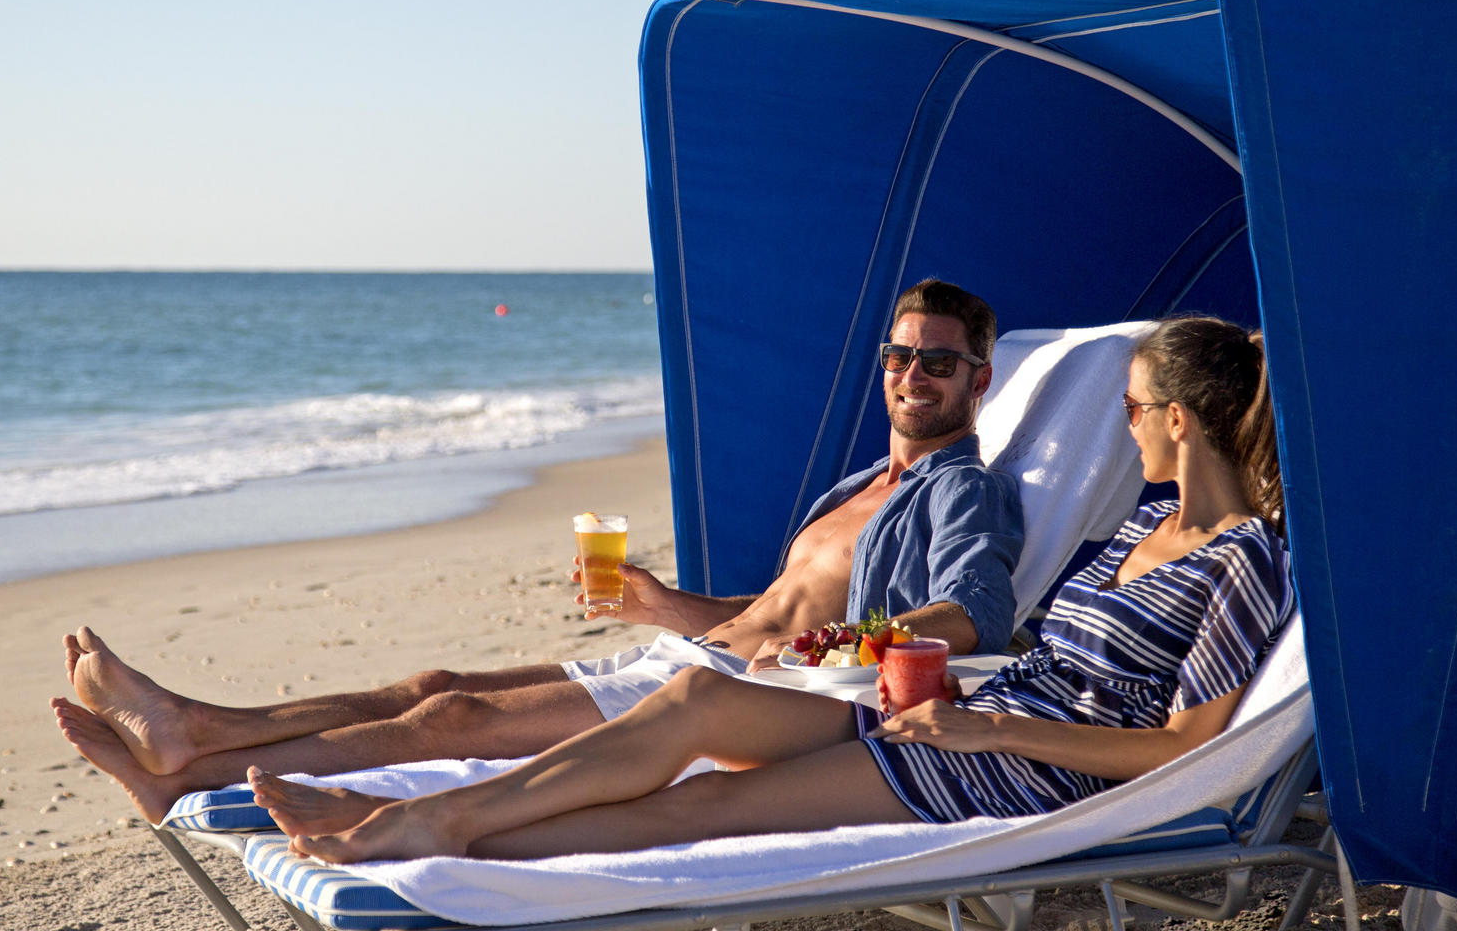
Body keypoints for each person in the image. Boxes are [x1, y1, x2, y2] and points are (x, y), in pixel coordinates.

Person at [247, 315, 1292, 863]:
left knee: (713, 806)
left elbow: (1189, 748)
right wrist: (937, 691)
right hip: (964, 715)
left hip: (1020, 769)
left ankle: (439, 831)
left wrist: (991, 736)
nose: (1124, 422)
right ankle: (436, 812)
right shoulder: (1147, 523)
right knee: (697, 702)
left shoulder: (1245, 560)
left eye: (1135, 407)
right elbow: (1040, 652)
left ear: (1182, 422)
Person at [51, 280, 1024, 823]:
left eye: (937, 361)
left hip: (764, 697)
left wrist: (827, 650)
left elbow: (972, 614)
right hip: (698, 652)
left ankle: (192, 753)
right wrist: (657, 602)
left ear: (976, 380)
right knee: (432, 681)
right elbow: (767, 615)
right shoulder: (854, 491)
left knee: (453, 716)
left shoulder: (963, 490)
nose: (911, 376)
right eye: (898, 356)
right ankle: (192, 736)